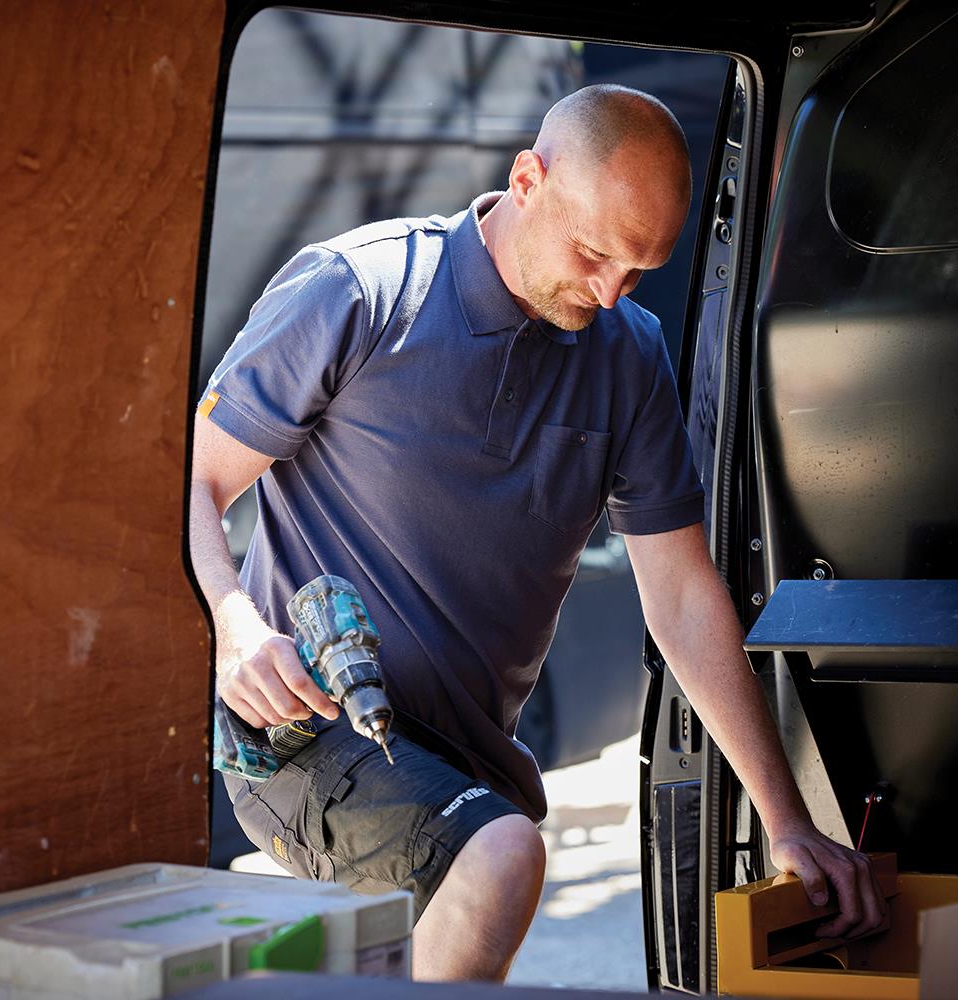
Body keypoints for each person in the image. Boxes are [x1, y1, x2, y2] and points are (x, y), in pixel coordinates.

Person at [189, 84, 885, 982]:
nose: (605, 292)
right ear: (527, 178)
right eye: (593, 252)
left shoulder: (628, 356)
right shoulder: (360, 288)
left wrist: (788, 822)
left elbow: (679, 595)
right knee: (502, 859)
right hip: (305, 730)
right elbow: (192, 480)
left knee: (472, 881)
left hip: (469, 757)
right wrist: (233, 625)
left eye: (638, 271)